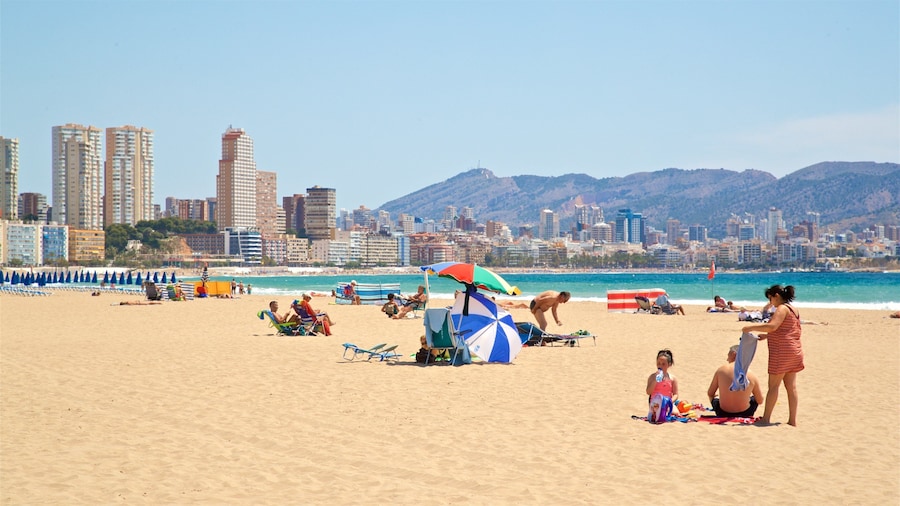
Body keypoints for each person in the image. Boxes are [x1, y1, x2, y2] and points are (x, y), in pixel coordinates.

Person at [742, 284, 804, 426]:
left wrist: (750, 327)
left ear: (776, 296)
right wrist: (767, 336)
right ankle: (792, 420)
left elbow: (773, 326)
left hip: (782, 352)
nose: (771, 303)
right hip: (795, 350)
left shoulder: (782, 308)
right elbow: (787, 330)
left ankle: (766, 419)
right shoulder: (793, 309)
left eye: (770, 299)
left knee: (774, 386)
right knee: (791, 386)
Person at [707, 344, 763, 417]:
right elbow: (760, 400)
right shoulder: (750, 373)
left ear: (734, 354)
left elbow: (710, 393)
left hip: (722, 412)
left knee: (714, 398)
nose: (727, 359)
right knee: (754, 397)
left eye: (728, 355)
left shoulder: (721, 370)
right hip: (745, 413)